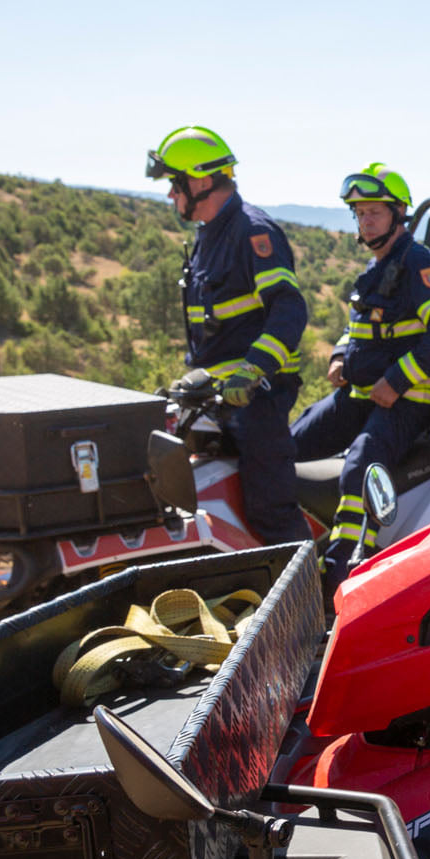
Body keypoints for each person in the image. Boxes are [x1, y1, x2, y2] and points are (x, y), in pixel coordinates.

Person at [289, 162, 430, 563]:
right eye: (360, 213)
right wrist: (339, 355)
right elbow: (360, 328)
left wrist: (397, 380)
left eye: (374, 212)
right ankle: (293, 553)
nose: (365, 221)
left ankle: (342, 569)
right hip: (362, 394)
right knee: (287, 446)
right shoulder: (378, 266)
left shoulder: (418, 264)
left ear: (398, 214)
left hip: (407, 402)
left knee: (359, 470)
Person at [147, 125, 309, 546]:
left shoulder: (253, 231)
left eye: (174, 184)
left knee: (269, 512)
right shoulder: (209, 236)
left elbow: (288, 308)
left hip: (259, 399)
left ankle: (309, 602)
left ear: (200, 181)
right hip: (218, 398)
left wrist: (254, 369)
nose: (171, 196)